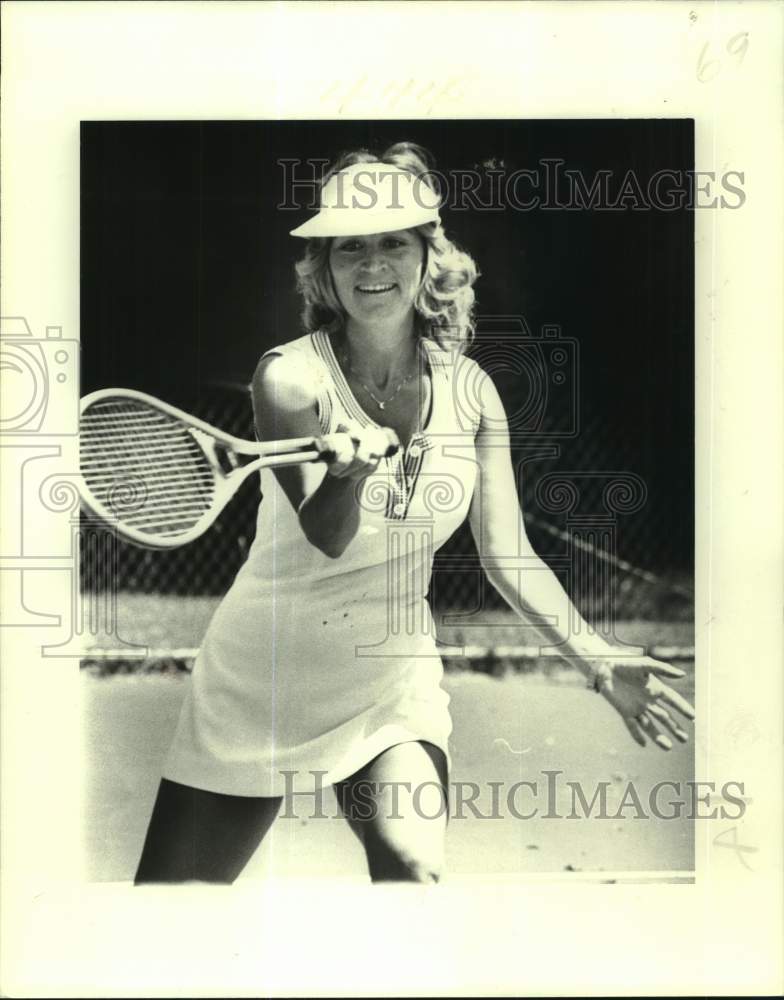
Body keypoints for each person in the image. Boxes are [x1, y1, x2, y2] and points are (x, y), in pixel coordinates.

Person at [134, 142, 695, 885]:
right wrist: (351, 474)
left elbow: (509, 554)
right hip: (261, 677)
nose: (373, 266)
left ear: (427, 256)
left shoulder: (473, 392)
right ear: (324, 270)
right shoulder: (289, 378)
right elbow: (328, 536)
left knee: (414, 870)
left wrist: (599, 660)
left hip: (390, 685)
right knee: (168, 918)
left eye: (393, 243)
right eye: (350, 248)